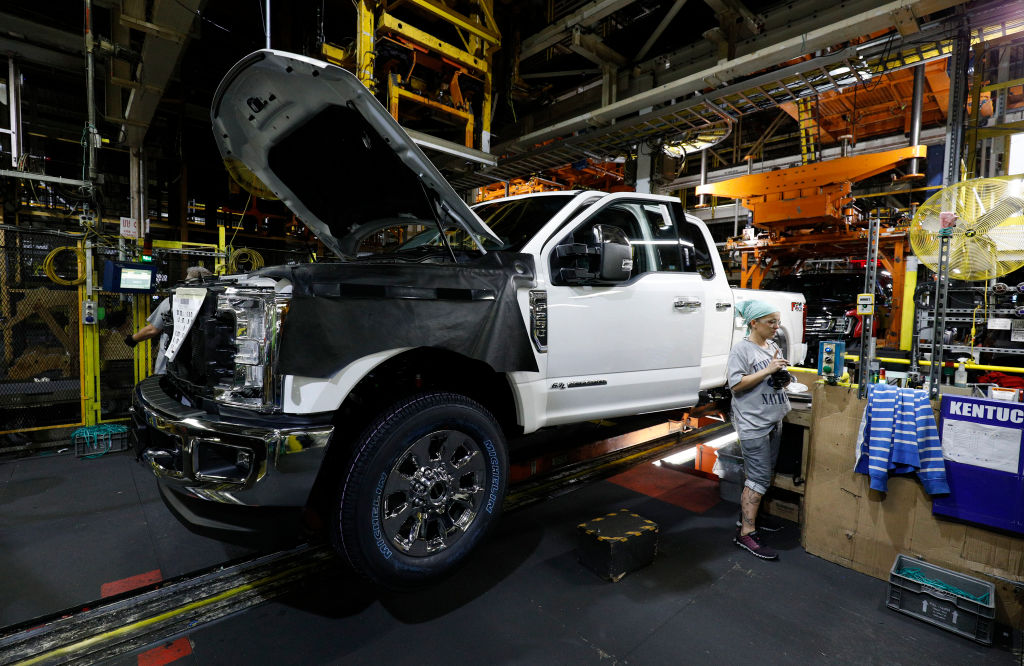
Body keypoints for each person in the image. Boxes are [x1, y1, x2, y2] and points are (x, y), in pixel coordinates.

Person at [727, 299, 793, 560]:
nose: (776, 327)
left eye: (778, 322)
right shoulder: (741, 350)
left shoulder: (772, 345)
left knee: (761, 475)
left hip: (773, 420)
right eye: (771, 322)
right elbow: (736, 385)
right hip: (753, 424)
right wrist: (767, 371)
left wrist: (784, 377)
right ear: (754, 323)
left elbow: (773, 377)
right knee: (759, 478)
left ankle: (749, 517)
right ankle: (746, 532)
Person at [124, 266, 212, 374]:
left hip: (170, 366)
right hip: (203, 367)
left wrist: (133, 339)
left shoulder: (172, 302)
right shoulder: (214, 304)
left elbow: (152, 330)